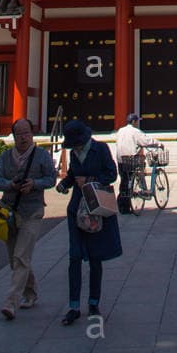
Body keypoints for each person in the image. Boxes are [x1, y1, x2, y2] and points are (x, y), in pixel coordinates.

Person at [56, 119, 122, 323]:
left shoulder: (100, 149)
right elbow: (74, 174)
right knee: (74, 257)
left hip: (96, 207)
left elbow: (112, 173)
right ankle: (73, 305)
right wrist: (65, 183)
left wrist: (91, 179)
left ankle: (94, 303)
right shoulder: (75, 152)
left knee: (95, 257)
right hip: (77, 209)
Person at [0, 119, 57, 320]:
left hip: (33, 211)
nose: (23, 137)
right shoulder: (5, 157)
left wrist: (35, 184)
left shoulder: (41, 155)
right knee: (15, 258)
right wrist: (10, 184)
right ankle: (31, 292)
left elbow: (51, 179)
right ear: (13, 136)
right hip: (10, 211)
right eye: (19, 134)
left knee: (21, 256)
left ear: (32, 134)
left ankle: (11, 303)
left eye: (27, 133)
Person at [115, 112, 157, 215]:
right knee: (141, 165)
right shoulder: (135, 131)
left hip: (121, 159)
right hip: (131, 159)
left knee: (124, 181)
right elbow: (146, 141)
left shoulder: (120, 130)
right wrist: (158, 144)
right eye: (137, 121)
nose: (137, 123)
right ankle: (142, 187)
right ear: (133, 121)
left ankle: (122, 205)